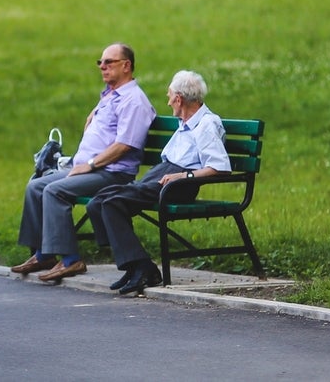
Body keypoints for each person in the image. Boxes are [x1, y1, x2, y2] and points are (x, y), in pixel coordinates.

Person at [11, 43, 156, 282]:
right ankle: (44, 253)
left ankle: (71, 260)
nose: (102, 67)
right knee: (36, 185)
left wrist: (89, 165)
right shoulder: (110, 96)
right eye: (100, 62)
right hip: (91, 168)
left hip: (111, 173)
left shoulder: (134, 101)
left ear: (126, 65)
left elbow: (125, 145)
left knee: (54, 191)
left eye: (109, 62)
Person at [86, 70, 231, 295]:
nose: (168, 100)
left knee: (113, 203)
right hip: (163, 175)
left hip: (179, 184)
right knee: (99, 201)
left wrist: (184, 176)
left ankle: (143, 268)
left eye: (169, 95)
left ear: (179, 99)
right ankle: (133, 265)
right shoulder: (186, 122)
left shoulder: (206, 124)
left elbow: (219, 167)